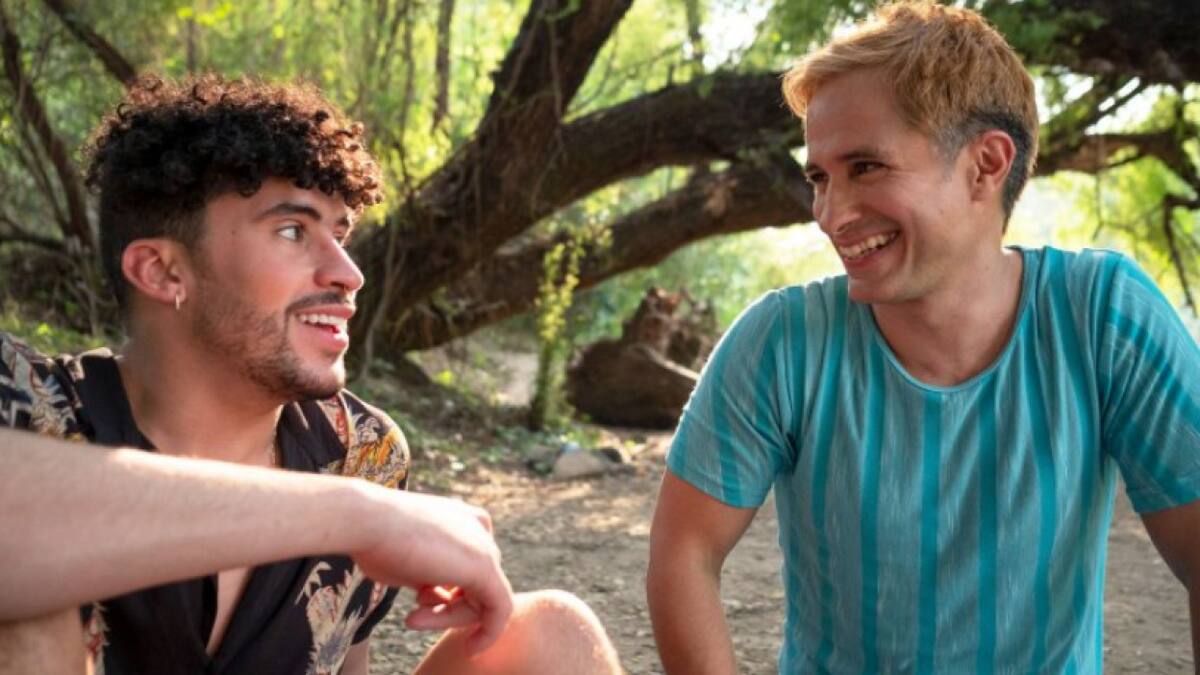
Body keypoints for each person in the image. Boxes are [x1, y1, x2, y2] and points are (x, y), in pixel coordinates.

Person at [0, 74, 621, 675]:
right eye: (293, 230)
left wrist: (359, 504)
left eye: (342, 234)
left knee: (556, 634)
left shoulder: (363, 454)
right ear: (163, 272)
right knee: (26, 611)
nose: (348, 274)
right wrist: (355, 516)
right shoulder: (25, 407)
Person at [646, 2, 1200, 673]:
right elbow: (685, 554)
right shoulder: (781, 343)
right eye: (819, 177)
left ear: (986, 165)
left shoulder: (1103, 318)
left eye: (866, 167)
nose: (829, 213)